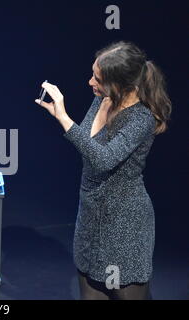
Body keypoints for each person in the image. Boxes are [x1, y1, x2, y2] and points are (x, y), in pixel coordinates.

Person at [35, 41, 171, 300]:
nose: (90, 82)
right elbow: (87, 144)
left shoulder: (141, 117)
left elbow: (104, 159)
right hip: (90, 216)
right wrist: (64, 119)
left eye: (97, 78)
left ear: (120, 83)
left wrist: (63, 117)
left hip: (124, 225)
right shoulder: (103, 100)